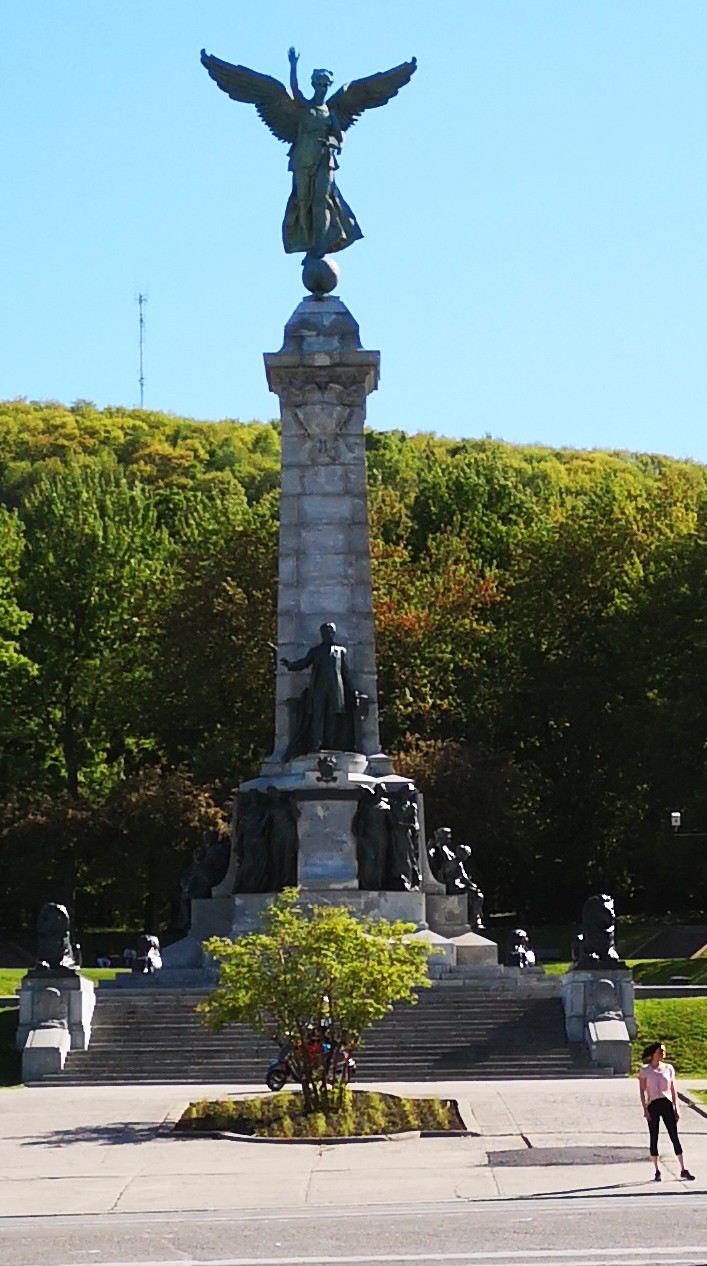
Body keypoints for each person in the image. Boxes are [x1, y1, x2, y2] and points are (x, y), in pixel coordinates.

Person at [281, 622, 351, 751]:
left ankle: (330, 744)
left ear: (334, 634)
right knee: (317, 716)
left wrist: (351, 691)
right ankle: (316, 744)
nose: (327, 635)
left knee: (332, 717)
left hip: (335, 688)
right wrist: (290, 665)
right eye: (324, 633)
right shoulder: (316, 651)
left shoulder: (341, 651)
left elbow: (345, 672)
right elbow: (304, 663)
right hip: (319, 688)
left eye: (330, 632)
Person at [638, 1042, 695, 1181]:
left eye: (664, 1051)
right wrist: (645, 1109)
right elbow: (642, 1090)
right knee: (654, 1137)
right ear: (654, 1054)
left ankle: (683, 1168)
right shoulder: (645, 1070)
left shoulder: (668, 1068)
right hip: (653, 1104)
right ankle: (657, 1170)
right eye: (661, 1051)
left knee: (674, 1135)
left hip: (666, 1103)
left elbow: (673, 1089)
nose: (663, 1054)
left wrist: (676, 1107)